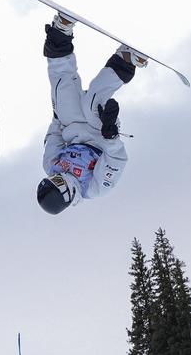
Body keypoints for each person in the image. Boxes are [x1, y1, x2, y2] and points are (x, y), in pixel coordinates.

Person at [37, 14, 145, 214]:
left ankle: (60, 32)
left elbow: (54, 137)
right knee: (92, 103)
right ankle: (126, 60)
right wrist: (110, 135)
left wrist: (57, 115)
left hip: (72, 126)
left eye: (53, 178)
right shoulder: (94, 188)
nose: (57, 175)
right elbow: (117, 161)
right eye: (58, 181)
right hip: (99, 133)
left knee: (61, 88)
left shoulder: (51, 166)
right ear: (66, 193)